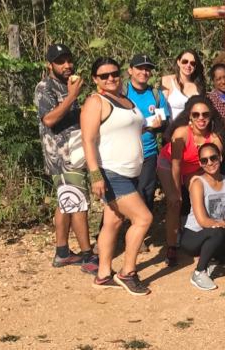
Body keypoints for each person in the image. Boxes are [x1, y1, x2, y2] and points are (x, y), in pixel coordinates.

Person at [80, 57, 152, 296]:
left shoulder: (126, 100)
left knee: (113, 221)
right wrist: (95, 174)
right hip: (111, 172)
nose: (110, 78)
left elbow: (130, 129)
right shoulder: (95, 101)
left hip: (130, 171)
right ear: (95, 79)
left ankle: (102, 275)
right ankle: (127, 272)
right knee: (143, 218)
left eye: (113, 73)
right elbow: (88, 140)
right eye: (104, 76)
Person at [34, 43, 97, 273]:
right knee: (78, 203)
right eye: (61, 62)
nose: (67, 65)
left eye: (69, 60)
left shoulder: (69, 84)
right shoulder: (45, 87)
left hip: (74, 152)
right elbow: (49, 120)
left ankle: (62, 253)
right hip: (61, 156)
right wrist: (72, 97)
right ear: (49, 65)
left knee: (65, 202)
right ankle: (88, 256)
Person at [157, 95, 225, 266]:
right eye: (196, 115)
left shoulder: (215, 138)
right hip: (169, 164)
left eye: (205, 114)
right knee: (174, 202)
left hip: (194, 168)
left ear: (211, 116)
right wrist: (177, 191)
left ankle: (202, 237)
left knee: (204, 197)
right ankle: (172, 246)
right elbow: (176, 165)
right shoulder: (181, 133)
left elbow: (215, 167)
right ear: (190, 116)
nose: (200, 118)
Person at [181, 142, 225, 291]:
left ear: (220, 157)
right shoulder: (198, 183)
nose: (210, 163)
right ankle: (199, 272)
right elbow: (203, 221)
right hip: (195, 235)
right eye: (204, 160)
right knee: (217, 232)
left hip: (223, 232)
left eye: (213, 158)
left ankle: (216, 264)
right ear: (200, 163)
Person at [123, 54, 168, 226]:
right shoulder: (122, 91)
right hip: (123, 152)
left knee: (146, 192)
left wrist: (157, 125)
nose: (144, 71)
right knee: (120, 192)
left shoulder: (155, 95)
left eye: (147, 68)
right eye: (140, 68)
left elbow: (164, 122)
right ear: (130, 70)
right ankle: (107, 232)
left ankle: (139, 232)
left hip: (148, 151)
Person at [161, 49, 206, 119]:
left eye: (192, 63)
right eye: (185, 61)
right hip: (171, 127)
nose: (188, 65)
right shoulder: (167, 80)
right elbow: (162, 107)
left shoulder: (199, 86)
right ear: (178, 62)